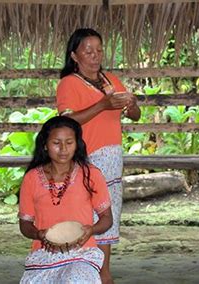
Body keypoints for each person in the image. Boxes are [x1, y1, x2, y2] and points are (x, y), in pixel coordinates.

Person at [56, 28, 141, 283]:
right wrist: (103, 105)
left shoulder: (110, 80)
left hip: (112, 158)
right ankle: (81, 271)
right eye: (88, 51)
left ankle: (104, 273)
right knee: (83, 216)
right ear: (74, 55)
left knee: (107, 216)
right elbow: (67, 121)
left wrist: (132, 104)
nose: (95, 56)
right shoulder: (69, 83)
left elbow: (135, 116)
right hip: (86, 158)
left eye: (99, 50)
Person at [18, 116, 113, 283]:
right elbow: (25, 225)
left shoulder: (91, 174)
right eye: (56, 143)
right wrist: (39, 234)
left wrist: (91, 230)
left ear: (77, 145)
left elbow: (107, 219)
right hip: (44, 255)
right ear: (45, 145)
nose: (63, 149)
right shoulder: (32, 178)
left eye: (69, 142)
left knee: (76, 279)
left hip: (82, 254)